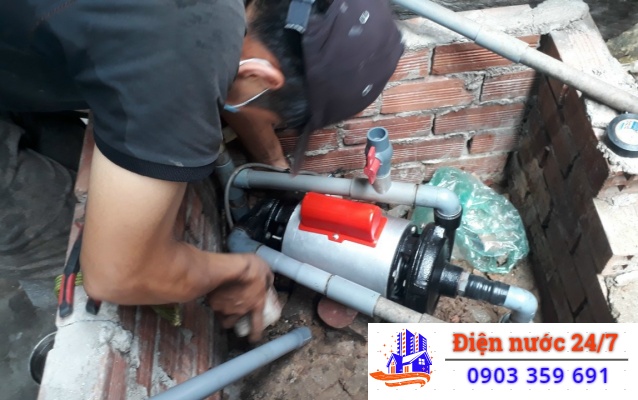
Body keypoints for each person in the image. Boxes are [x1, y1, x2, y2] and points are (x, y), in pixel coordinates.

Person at [0, 0, 403, 341]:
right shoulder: (180, 53)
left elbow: (232, 76)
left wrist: (279, 174)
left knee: (79, 175)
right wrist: (237, 271)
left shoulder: (221, 23)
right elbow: (116, 274)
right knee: (60, 233)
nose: (269, 124)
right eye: (276, 121)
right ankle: (57, 336)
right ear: (260, 75)